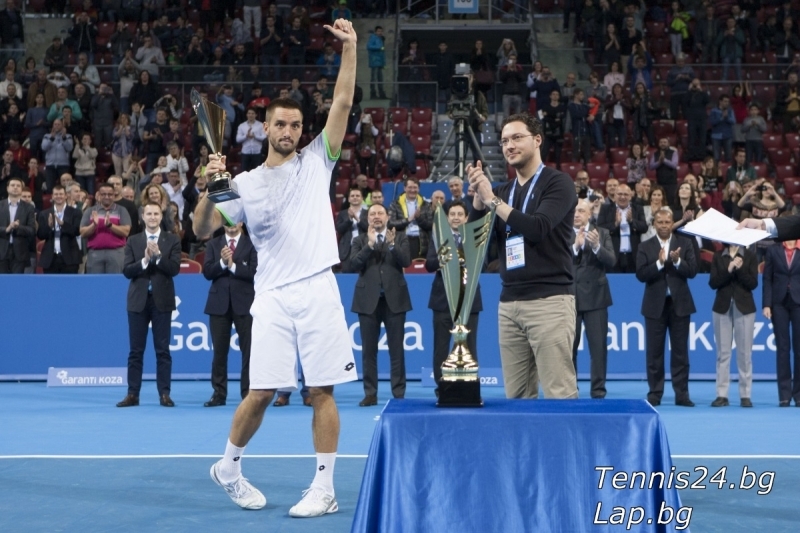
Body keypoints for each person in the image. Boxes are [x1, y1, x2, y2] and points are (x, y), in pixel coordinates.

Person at [192, 19, 358, 518]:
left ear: (303, 131)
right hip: (271, 296)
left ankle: (324, 489)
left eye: (295, 125)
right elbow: (202, 229)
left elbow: (343, 102)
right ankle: (228, 468)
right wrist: (210, 185)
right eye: (280, 124)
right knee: (261, 391)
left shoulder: (318, 160)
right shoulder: (243, 183)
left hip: (318, 287)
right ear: (265, 127)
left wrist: (349, 48)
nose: (288, 132)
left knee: (321, 390)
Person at [467, 113, 578, 399]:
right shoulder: (503, 191)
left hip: (549, 301)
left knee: (559, 395)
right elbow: (473, 246)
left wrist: (492, 201)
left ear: (537, 140)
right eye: (504, 141)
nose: (509, 146)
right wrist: (478, 203)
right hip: (509, 304)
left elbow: (537, 228)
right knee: (516, 398)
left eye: (517, 138)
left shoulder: (558, 183)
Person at [116, 201, 181, 408]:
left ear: (161, 216)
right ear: (143, 217)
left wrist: (158, 257)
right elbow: (127, 271)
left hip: (162, 301)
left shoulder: (172, 240)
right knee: (136, 351)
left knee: (163, 350)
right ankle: (132, 394)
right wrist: (144, 261)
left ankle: (164, 394)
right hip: (138, 301)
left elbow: (174, 269)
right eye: (149, 214)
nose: (152, 217)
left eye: (156, 214)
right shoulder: (133, 240)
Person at [350, 203, 412, 405]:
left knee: (397, 350)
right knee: (369, 351)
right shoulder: (359, 240)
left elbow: (406, 262)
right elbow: (353, 264)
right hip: (367, 301)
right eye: (372, 214)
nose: (376, 216)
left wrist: (392, 245)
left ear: (387, 217)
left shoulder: (400, 237)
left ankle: (399, 393)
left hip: (395, 300)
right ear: (367, 218)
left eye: (380, 213)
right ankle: (370, 393)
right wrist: (369, 245)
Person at [635, 208, 697, 407]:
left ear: (672, 223)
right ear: (654, 224)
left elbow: (693, 271)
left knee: (680, 352)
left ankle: (682, 395)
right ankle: (655, 393)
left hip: (680, 305)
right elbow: (641, 274)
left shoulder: (685, 243)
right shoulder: (645, 246)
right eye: (660, 222)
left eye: (667, 222)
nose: (663, 226)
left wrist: (677, 261)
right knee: (654, 353)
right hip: (654, 306)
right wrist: (659, 264)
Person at [424, 199, 481, 396]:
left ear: (466, 218)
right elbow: (429, 264)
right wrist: (445, 258)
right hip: (442, 300)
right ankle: (442, 387)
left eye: (460, 214)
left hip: (469, 299)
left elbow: (483, 263)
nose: (456, 218)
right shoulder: (438, 237)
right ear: (447, 218)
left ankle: (469, 385)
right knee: (440, 348)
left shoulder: (474, 238)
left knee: (470, 346)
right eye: (452, 214)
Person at [203, 223, 257, 407]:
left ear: (241, 222)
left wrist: (232, 266)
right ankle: (219, 393)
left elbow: (255, 272)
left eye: (234, 220)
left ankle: (248, 394)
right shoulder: (213, 244)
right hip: (219, 304)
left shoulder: (252, 243)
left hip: (245, 304)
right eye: (227, 221)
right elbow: (207, 272)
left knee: (248, 351)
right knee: (219, 352)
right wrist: (221, 263)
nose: (231, 224)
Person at [571, 199, 615, 398]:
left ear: (590, 214)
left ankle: (598, 391)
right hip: (570, 299)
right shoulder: (562, 233)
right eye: (574, 210)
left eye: (581, 210)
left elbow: (612, 260)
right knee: (568, 350)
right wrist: (575, 247)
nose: (576, 214)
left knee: (598, 349)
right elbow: (556, 261)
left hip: (596, 299)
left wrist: (596, 246)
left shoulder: (602, 233)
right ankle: (570, 390)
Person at [709, 243, 758, 408]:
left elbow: (753, 283)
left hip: (745, 308)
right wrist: (728, 269)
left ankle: (745, 395)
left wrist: (741, 269)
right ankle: (722, 394)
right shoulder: (718, 256)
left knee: (744, 353)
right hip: (721, 307)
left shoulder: (750, 256)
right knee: (723, 353)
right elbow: (713, 283)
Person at [762, 240, 800, 407]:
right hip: (779, 304)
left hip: (798, 303)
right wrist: (766, 304)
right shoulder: (773, 250)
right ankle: (784, 395)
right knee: (783, 349)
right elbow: (767, 278)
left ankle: (799, 395)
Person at [79, 183, 132, 273]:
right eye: (103, 194)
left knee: (115, 281)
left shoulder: (122, 210)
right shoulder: (90, 211)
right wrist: (94, 225)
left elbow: (126, 231)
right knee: (95, 281)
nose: (107, 197)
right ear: (99, 195)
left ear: (114, 195)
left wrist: (110, 225)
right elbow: (83, 233)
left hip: (116, 253)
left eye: (110, 194)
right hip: (95, 253)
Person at [597, 183, 647, 273]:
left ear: (630, 196)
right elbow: (600, 228)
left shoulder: (637, 208)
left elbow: (644, 227)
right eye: (619, 194)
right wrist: (615, 224)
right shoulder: (606, 209)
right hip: (613, 255)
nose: (622, 197)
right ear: (615, 196)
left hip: (633, 256)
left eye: (625, 194)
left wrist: (631, 221)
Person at [36, 185, 81, 273]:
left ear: (66, 196)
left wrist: (63, 224)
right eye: (56, 194)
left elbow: (77, 231)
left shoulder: (75, 212)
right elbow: (40, 235)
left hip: (70, 257)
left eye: (61, 194)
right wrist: (49, 226)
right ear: (52, 196)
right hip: (50, 259)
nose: (58, 196)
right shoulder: (44, 213)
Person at [0, 176, 35, 273]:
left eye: (18, 186)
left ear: (21, 189)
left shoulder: (29, 208)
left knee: (16, 281)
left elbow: (32, 230)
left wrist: (18, 227)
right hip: (1, 251)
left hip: (20, 252)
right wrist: (6, 229)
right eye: (12, 185)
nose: (15, 187)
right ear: (7, 188)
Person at [388, 177, 427, 259]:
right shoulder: (395, 204)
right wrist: (408, 220)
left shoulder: (425, 204)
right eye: (410, 187)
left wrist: (419, 218)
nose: (412, 190)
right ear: (404, 188)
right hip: (403, 239)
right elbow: (391, 223)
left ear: (419, 189)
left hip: (420, 241)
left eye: (415, 187)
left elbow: (430, 224)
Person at [649, 137, 679, 205]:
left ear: (668, 144)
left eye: (665, 142)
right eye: (661, 142)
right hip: (660, 182)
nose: (663, 144)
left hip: (671, 183)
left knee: (671, 201)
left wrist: (664, 160)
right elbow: (651, 167)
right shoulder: (655, 154)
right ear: (659, 144)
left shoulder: (673, 153)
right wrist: (659, 162)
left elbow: (674, 165)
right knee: (661, 202)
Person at [236, 108, 266, 172]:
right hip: (245, 152)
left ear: (256, 115)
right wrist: (246, 136)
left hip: (257, 152)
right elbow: (238, 139)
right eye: (249, 113)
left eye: (252, 113)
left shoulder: (260, 125)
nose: (251, 115)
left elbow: (264, 138)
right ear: (246, 115)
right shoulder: (242, 126)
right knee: (244, 172)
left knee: (257, 172)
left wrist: (255, 136)